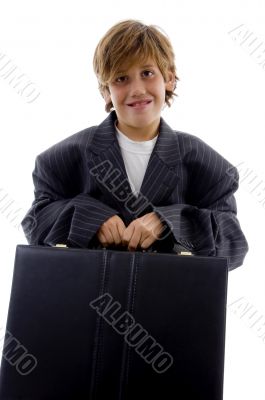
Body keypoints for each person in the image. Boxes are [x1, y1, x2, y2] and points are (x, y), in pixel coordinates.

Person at [21, 19, 248, 271]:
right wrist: (89, 217)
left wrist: (169, 221)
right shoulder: (60, 159)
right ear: (105, 92)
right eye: (121, 78)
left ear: (169, 79)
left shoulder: (207, 164)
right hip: (85, 303)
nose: (137, 89)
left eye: (147, 73)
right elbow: (34, 225)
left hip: (172, 303)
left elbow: (234, 245)